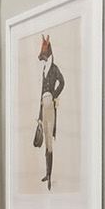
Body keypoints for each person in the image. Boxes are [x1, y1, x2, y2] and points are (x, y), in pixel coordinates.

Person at [37, 35, 65, 189]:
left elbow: (62, 82)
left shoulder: (54, 69)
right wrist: (39, 115)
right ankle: (47, 173)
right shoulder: (44, 69)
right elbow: (41, 92)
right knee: (45, 140)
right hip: (44, 104)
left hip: (50, 105)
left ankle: (50, 175)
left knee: (49, 142)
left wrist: (54, 95)